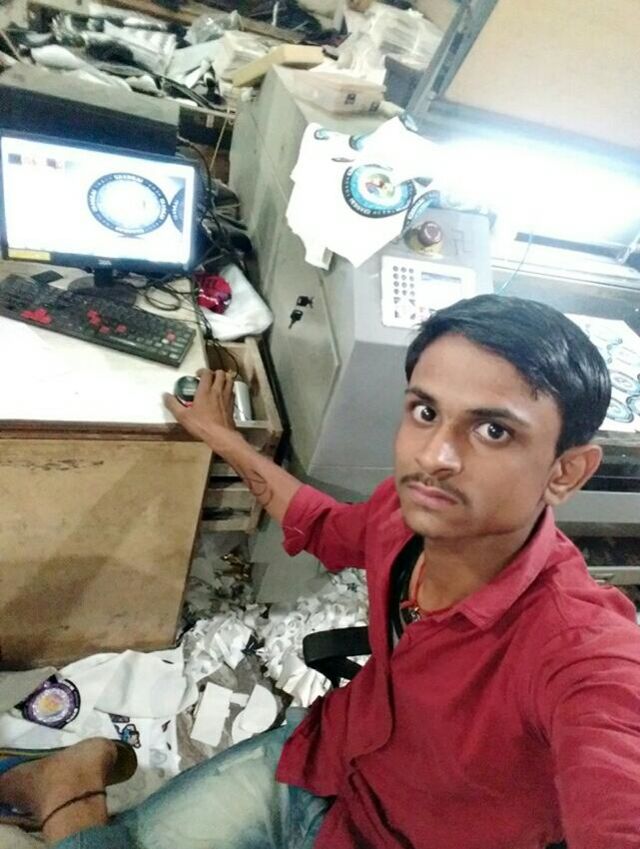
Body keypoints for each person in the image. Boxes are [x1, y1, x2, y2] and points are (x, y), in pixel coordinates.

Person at [1, 294, 639, 849]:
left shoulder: (583, 651)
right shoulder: (402, 518)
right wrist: (226, 440)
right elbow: (320, 519)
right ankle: (72, 776)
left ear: (565, 472)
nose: (434, 457)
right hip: (321, 762)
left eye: (493, 430)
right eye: (425, 412)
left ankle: (68, 787)